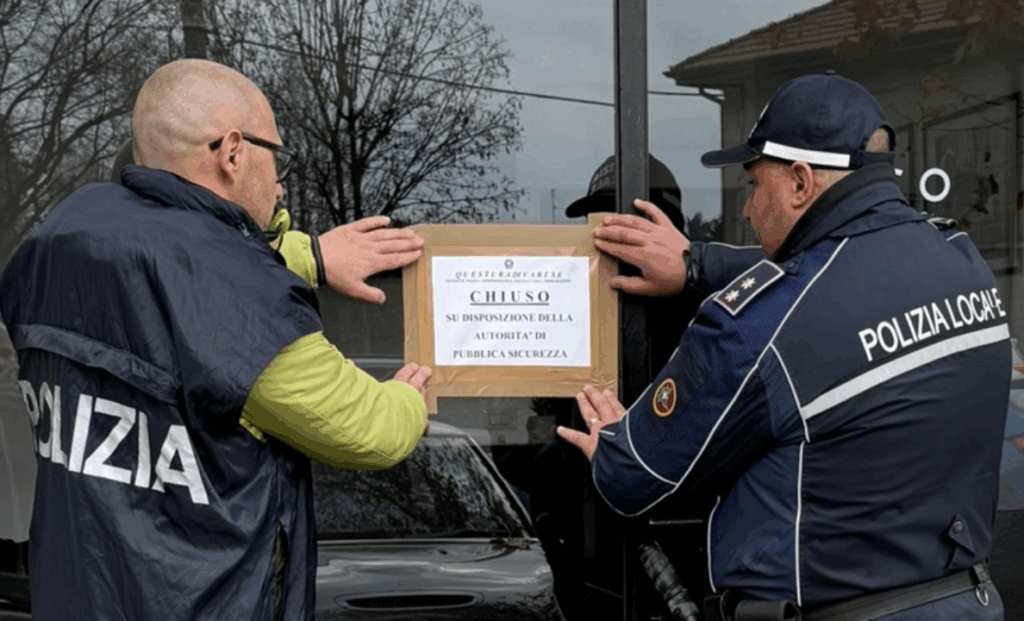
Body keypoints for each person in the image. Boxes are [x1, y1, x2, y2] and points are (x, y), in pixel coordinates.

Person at [558, 71, 1011, 619]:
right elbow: (839, 278)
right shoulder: (961, 260)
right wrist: (695, 264)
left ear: (799, 182)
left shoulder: (756, 325)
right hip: (967, 599)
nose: (747, 210)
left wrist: (612, 448)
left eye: (754, 185)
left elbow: (639, 480)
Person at [0, 59, 432, 620]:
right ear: (232, 152)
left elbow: (169, 282)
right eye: (276, 154)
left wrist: (309, 257)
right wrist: (414, 396)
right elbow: (368, 432)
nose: (280, 181)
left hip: (79, 594)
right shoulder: (236, 296)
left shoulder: (60, 238)